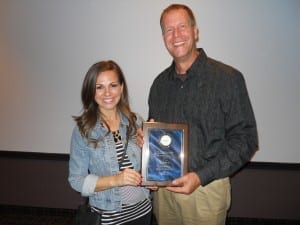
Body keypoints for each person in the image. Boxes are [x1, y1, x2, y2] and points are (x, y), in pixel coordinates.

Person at [140, 4, 259, 225]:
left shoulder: (227, 79)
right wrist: (147, 144)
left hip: (206, 190)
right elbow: (157, 134)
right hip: (165, 194)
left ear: (195, 31)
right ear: (163, 37)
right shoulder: (159, 85)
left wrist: (200, 176)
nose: (176, 35)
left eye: (182, 26)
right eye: (168, 29)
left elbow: (245, 141)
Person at [68, 60, 152, 225]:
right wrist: (116, 180)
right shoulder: (83, 130)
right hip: (109, 219)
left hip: (143, 212)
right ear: (91, 91)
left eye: (113, 85)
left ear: (121, 87)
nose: (107, 93)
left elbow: (147, 167)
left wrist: (152, 152)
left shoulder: (135, 121)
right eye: (99, 87)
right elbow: (76, 180)